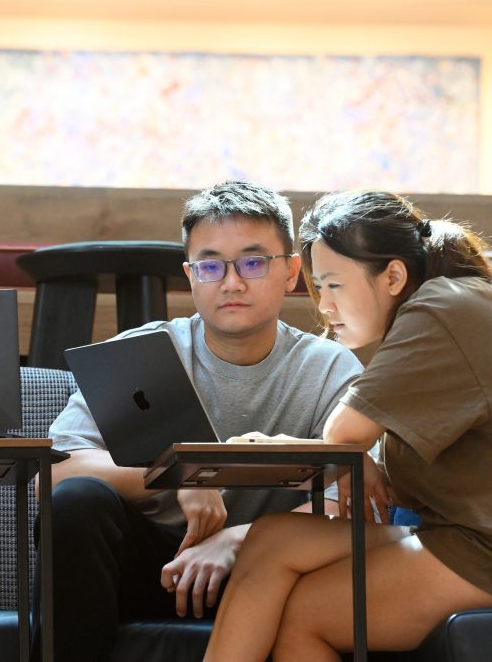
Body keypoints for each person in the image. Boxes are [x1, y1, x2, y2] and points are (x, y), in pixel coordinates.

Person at [204, 190, 492, 661]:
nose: (325, 307)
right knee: (273, 537)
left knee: (306, 614)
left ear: (393, 276)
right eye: (320, 288)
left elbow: (343, 435)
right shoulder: (444, 309)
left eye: (334, 285)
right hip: (483, 538)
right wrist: (364, 461)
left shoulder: (441, 310)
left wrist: (352, 453)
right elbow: (375, 463)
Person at [35, 180, 364, 662]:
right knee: (79, 502)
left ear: (292, 272)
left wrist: (241, 542)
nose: (231, 282)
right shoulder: (141, 354)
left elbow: (357, 502)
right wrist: (177, 474)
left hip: (270, 572)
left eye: (253, 262)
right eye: (211, 265)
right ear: (190, 275)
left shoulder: (330, 368)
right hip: (154, 566)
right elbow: (57, 475)